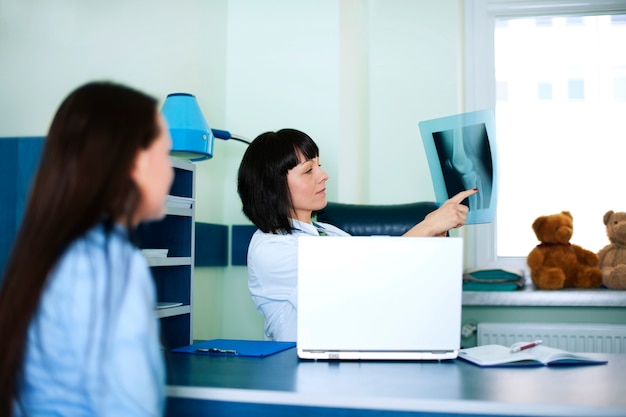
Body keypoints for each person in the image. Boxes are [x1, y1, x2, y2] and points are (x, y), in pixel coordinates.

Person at [0, 81, 173, 416]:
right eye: (164, 154)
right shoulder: (110, 265)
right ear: (136, 164)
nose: (169, 171)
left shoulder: (51, 252)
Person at [237, 128, 477, 342]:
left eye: (319, 165)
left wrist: (433, 237)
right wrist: (427, 225)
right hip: (299, 370)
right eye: (309, 170)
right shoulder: (271, 249)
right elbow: (363, 281)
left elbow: (385, 276)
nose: (323, 175)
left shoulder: (328, 232)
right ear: (274, 186)